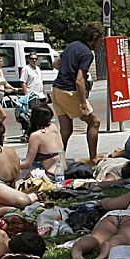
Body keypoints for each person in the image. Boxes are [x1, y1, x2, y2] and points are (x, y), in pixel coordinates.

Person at [52, 21, 101, 162]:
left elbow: (56, 63)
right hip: (69, 91)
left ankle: (57, 161)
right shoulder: (87, 53)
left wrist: (67, 71)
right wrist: (83, 105)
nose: (101, 44)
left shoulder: (72, 45)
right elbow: (79, 81)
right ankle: (93, 159)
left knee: (66, 129)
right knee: (94, 122)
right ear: (94, 39)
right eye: (100, 41)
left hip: (56, 90)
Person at [20, 102, 65, 180]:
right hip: (61, 171)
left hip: (50, 175)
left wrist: (11, 166)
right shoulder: (53, 127)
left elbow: (27, 163)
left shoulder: (36, 136)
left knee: (19, 173)